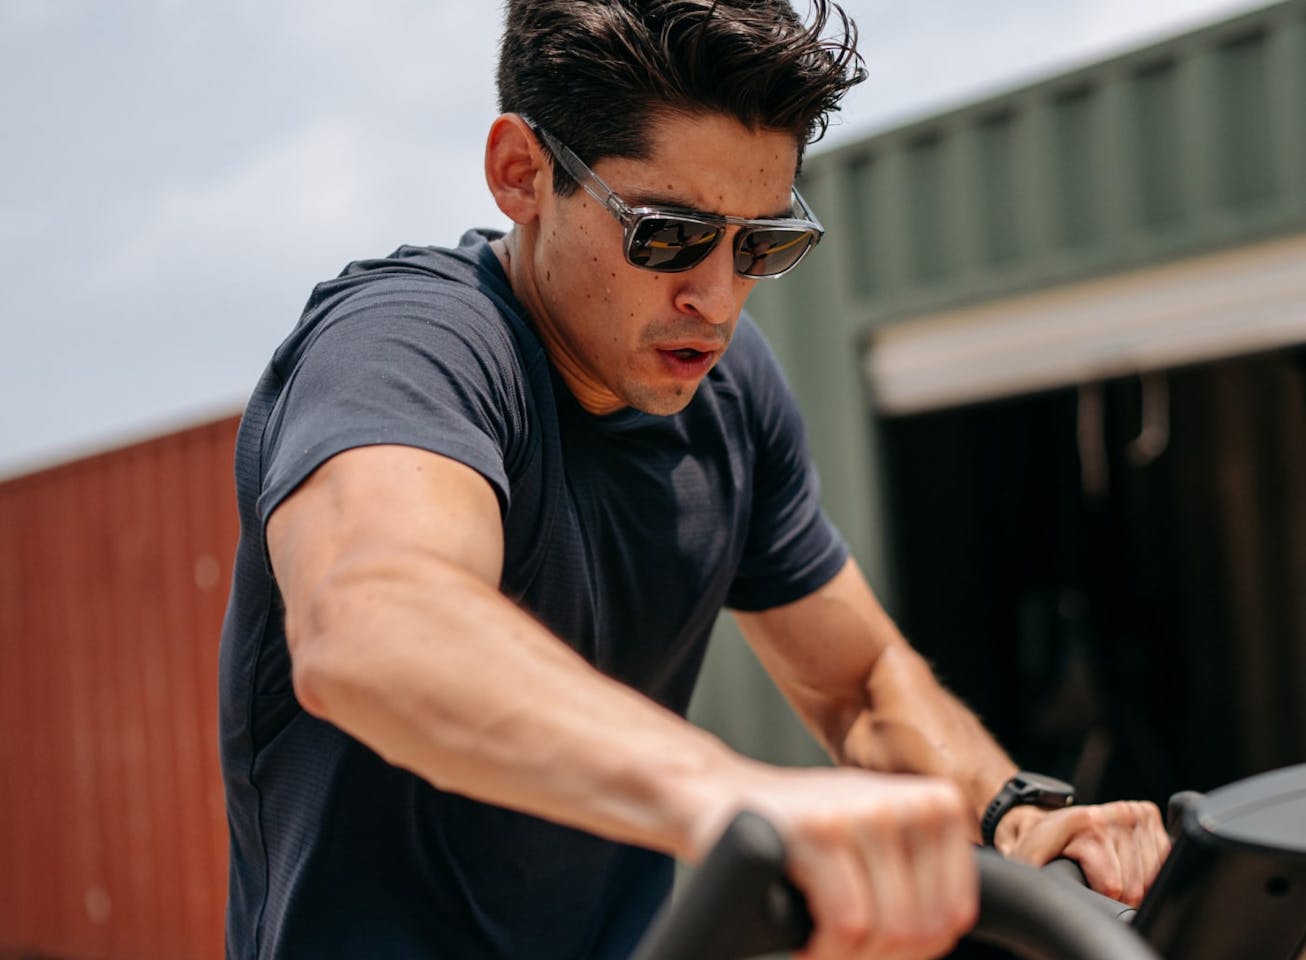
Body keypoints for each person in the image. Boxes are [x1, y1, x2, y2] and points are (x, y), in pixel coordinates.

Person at [218, 2, 1170, 958]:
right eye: (669, 235)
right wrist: (728, 796)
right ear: (521, 174)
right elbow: (373, 621)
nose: (715, 300)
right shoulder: (406, 346)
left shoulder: (728, 392)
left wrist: (1012, 815)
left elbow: (861, 685)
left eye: (762, 245)